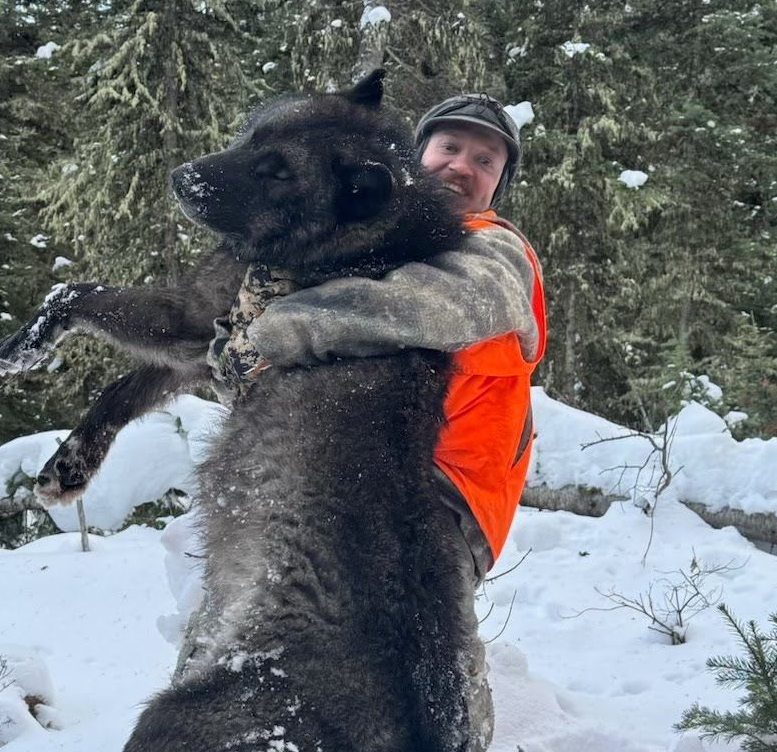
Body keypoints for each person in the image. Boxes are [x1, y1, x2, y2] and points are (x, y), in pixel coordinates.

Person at [214, 93, 547, 581]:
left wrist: (277, 333)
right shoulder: (372, 243)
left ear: (497, 185)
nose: (461, 167)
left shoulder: (496, 249)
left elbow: (438, 304)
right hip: (324, 476)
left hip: (438, 500)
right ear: (415, 159)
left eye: (484, 161)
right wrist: (236, 353)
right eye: (449, 147)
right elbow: (247, 376)